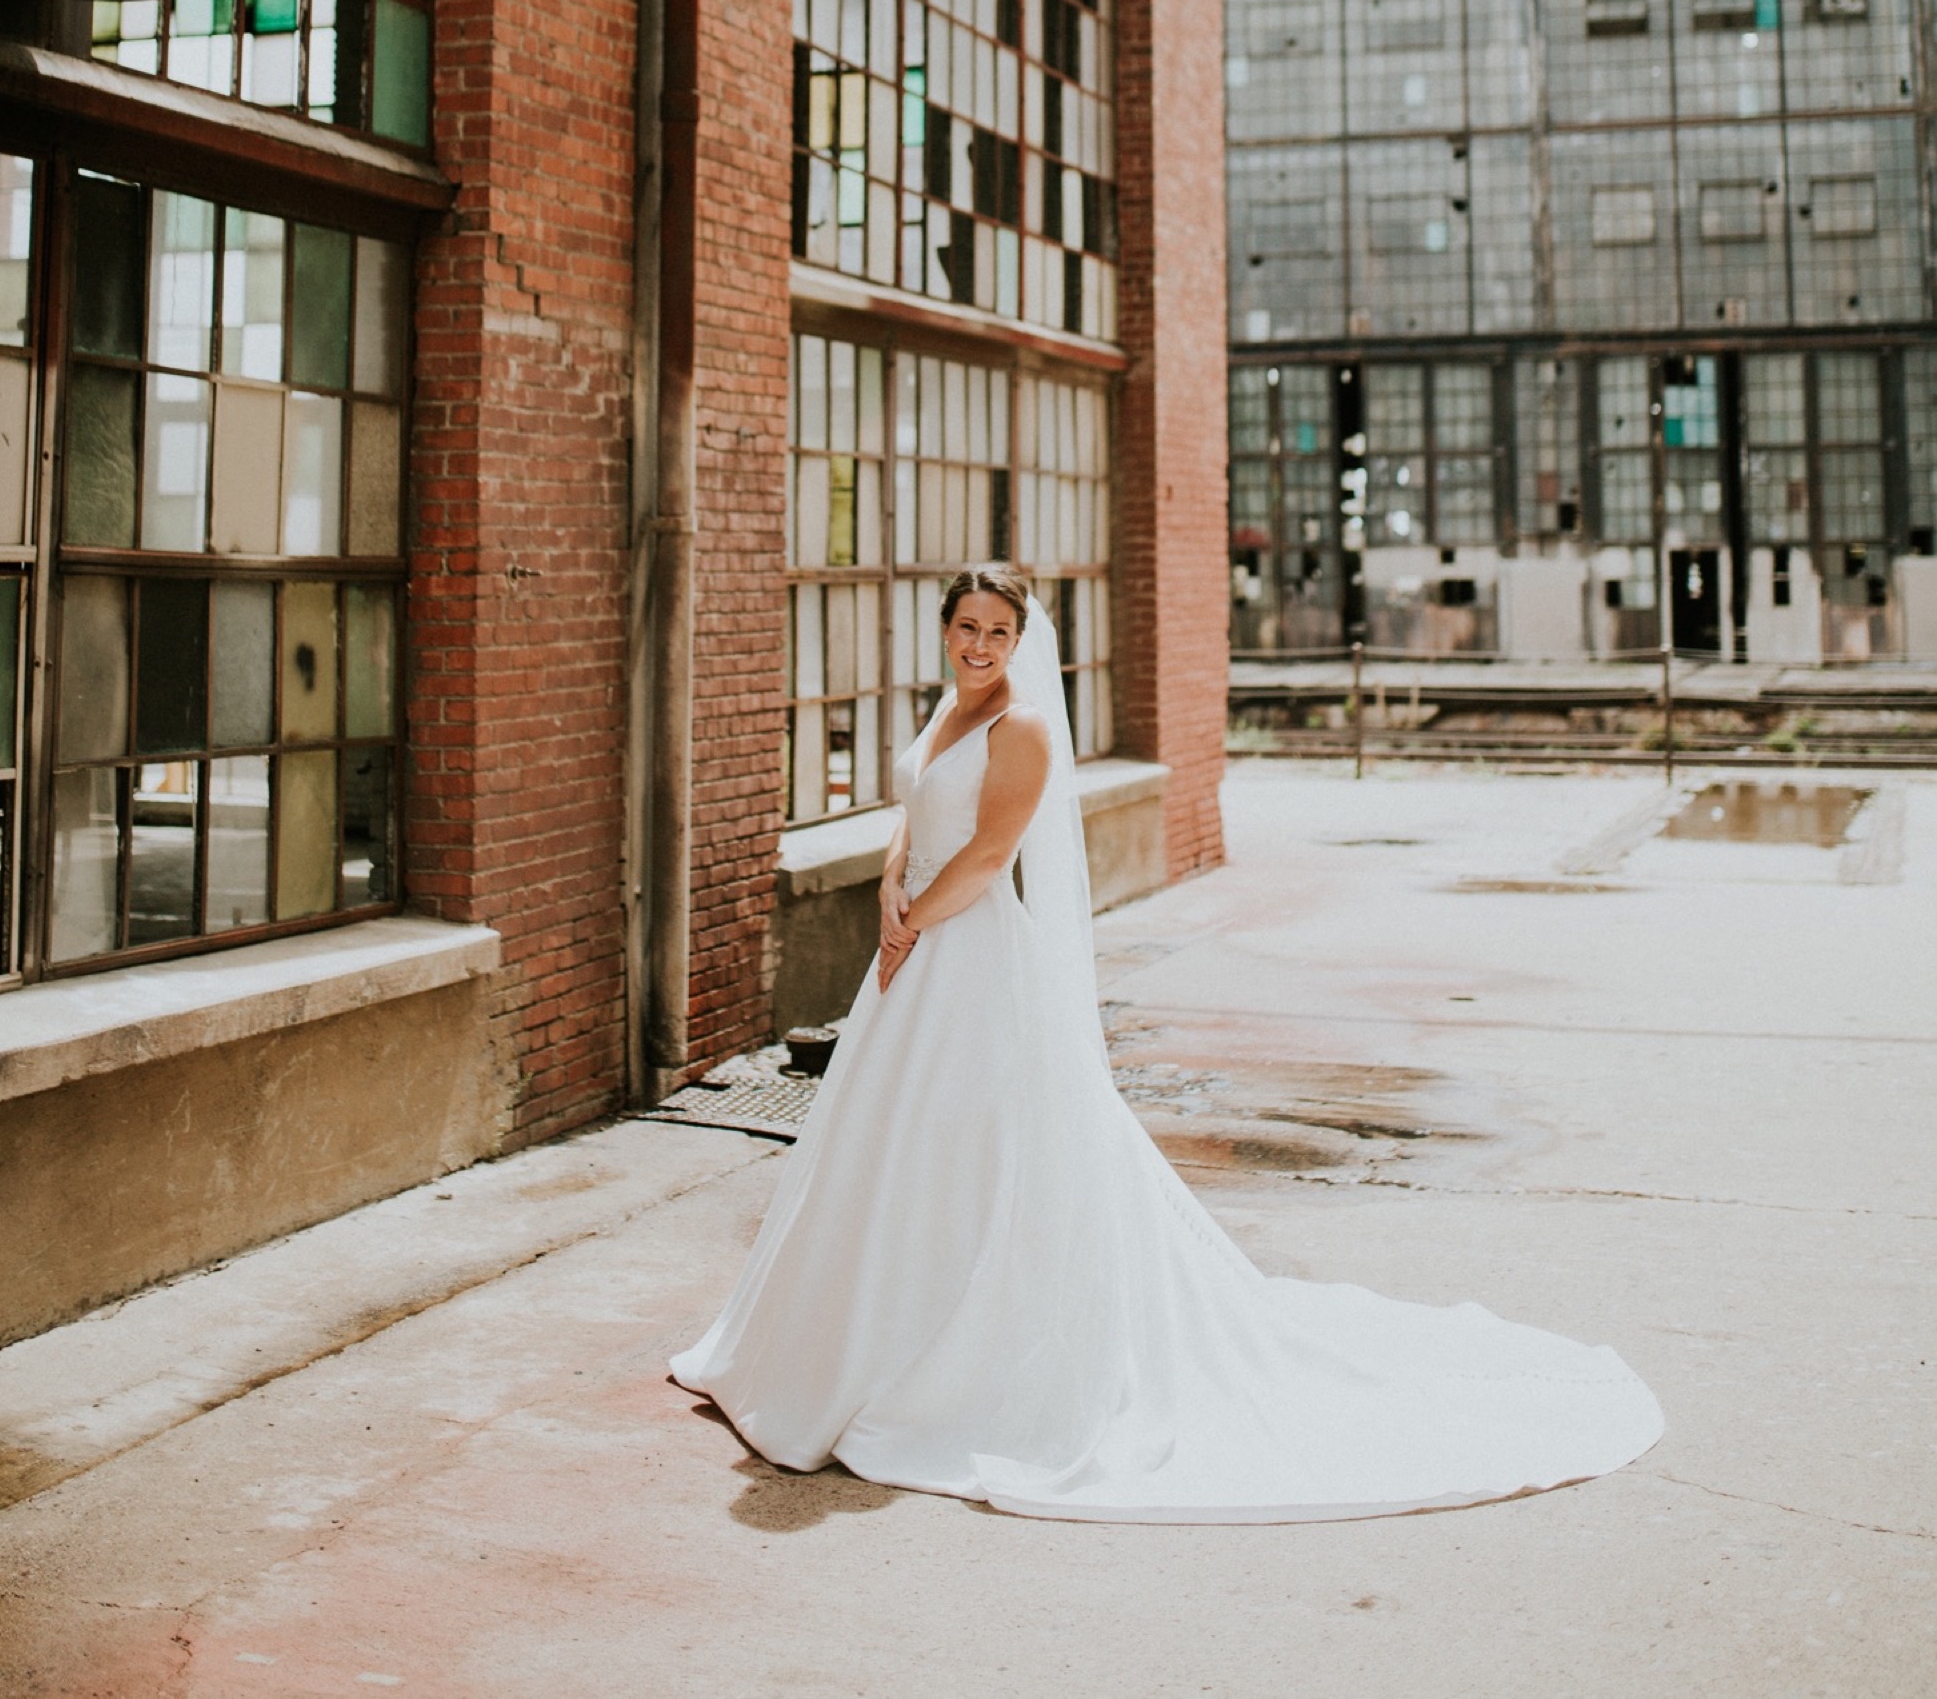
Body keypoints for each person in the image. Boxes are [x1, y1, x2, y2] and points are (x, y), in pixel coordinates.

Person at [672, 566, 1661, 1522]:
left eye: (996, 634)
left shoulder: (1019, 727)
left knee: (973, 1133)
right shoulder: (946, 705)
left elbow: (987, 854)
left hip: (964, 952)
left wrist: (909, 923)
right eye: (965, 628)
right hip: (913, 949)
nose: (978, 647)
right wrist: (890, 886)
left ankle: (951, 1350)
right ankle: (840, 1339)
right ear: (945, 629)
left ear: (1020, 644)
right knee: (882, 1142)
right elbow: (917, 814)